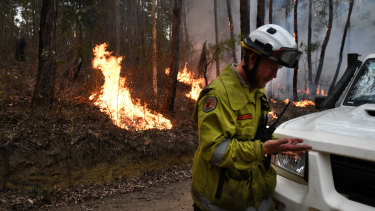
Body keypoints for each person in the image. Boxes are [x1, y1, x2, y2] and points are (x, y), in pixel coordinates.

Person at [191, 24, 312, 211]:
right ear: (252, 59)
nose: (274, 75)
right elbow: (214, 150)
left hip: (252, 196)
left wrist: (276, 145)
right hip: (220, 202)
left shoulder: (258, 93)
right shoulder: (217, 94)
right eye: (272, 68)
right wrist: (262, 148)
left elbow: (254, 137)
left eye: (278, 69)